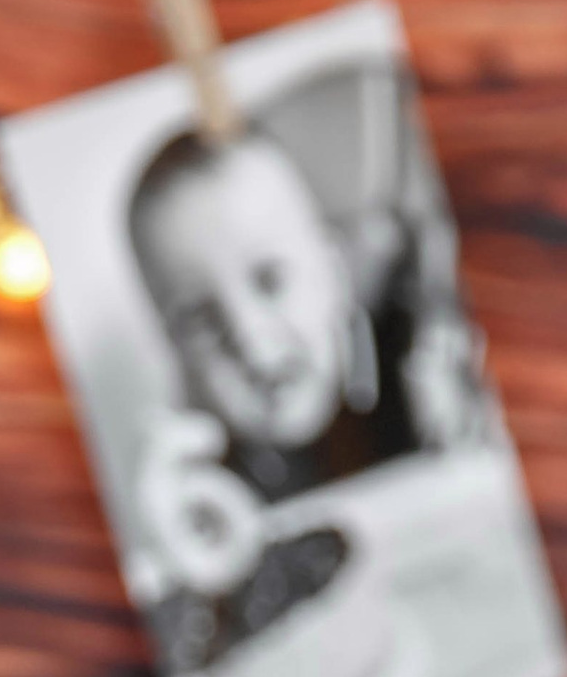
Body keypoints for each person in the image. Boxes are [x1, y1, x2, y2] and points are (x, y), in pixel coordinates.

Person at [123, 108, 487, 637]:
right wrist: (179, 533)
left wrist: (473, 414)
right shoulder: (213, 475)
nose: (249, 338)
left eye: (270, 280)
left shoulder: (418, 358)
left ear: (334, 273)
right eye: (201, 320)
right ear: (173, 350)